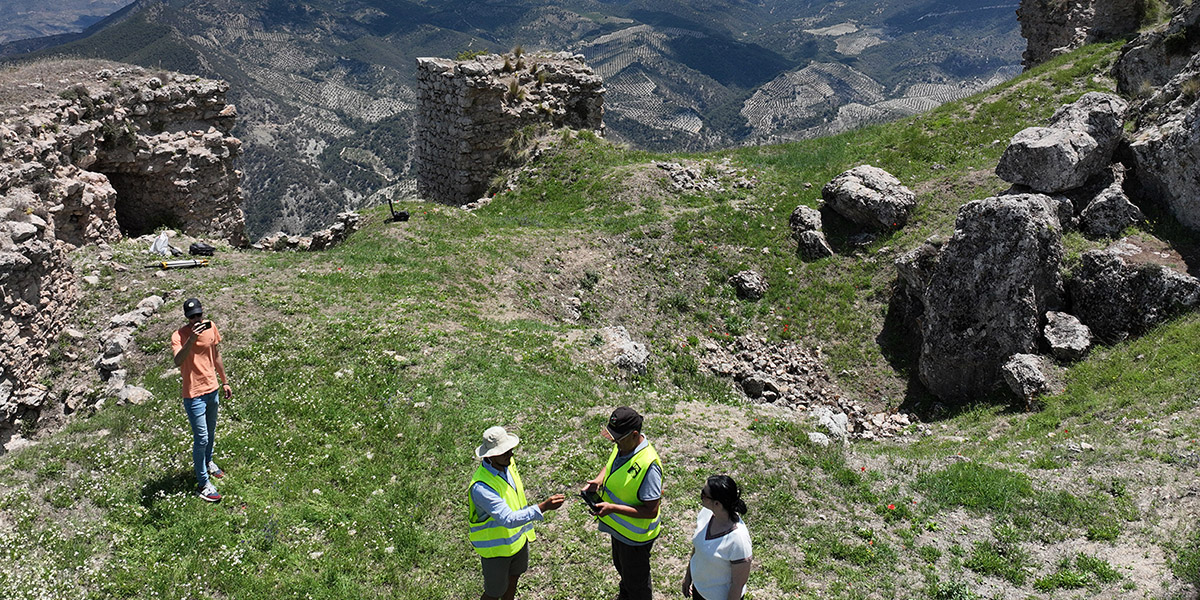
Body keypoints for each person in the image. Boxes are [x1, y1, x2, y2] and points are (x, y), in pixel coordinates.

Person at [469, 426, 566, 600]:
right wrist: (542, 507)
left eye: (510, 450)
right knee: (493, 593)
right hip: (496, 551)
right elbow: (507, 518)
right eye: (504, 452)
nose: (510, 454)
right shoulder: (481, 488)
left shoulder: (507, 463)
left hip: (517, 541)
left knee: (513, 580)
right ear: (489, 456)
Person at [583, 406, 663, 600]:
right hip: (619, 530)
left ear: (635, 435)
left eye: (618, 439)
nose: (615, 443)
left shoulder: (648, 465)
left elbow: (651, 510)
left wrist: (612, 508)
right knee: (625, 572)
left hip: (635, 538)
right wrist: (599, 480)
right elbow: (611, 465)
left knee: (638, 584)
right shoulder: (624, 446)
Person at [171, 297, 231, 502]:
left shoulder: (211, 326)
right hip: (193, 394)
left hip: (212, 389)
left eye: (199, 315)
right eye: (192, 317)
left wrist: (225, 381)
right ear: (186, 318)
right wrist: (191, 340)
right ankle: (203, 483)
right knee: (202, 438)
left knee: (211, 432)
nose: (196, 320)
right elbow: (178, 360)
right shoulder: (178, 336)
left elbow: (216, 355)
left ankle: (208, 462)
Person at [681, 475, 752, 600]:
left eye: (704, 494)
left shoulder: (738, 540)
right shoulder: (706, 513)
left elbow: (738, 584)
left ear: (717, 504)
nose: (700, 496)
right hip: (699, 591)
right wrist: (688, 577)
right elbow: (698, 548)